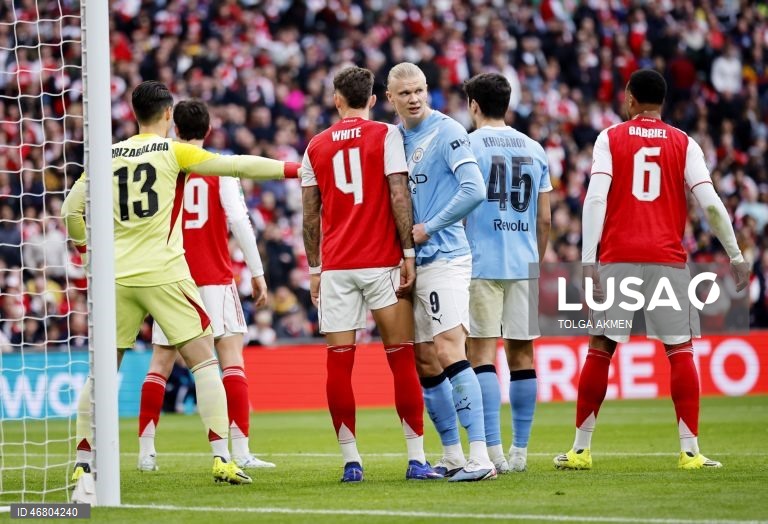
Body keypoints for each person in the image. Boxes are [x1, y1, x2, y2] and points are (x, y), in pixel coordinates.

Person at [62, 80, 300, 485]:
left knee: (102, 371)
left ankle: (84, 462)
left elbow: (70, 211)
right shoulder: (174, 151)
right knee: (205, 361)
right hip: (165, 273)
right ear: (168, 114)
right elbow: (238, 165)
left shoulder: (106, 155)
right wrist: (294, 169)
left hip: (116, 276)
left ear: (134, 113)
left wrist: (87, 256)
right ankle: (222, 458)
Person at [553, 69, 750, 471]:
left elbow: (595, 198)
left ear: (629, 98)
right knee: (680, 350)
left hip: (618, 257)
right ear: (663, 101)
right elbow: (711, 204)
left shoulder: (610, 138)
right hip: (668, 259)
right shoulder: (685, 142)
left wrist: (588, 260)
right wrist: (735, 255)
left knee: (601, 347)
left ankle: (580, 450)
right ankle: (690, 452)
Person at [301, 66, 441, 482]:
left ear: (336, 100)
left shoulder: (315, 146)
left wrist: (314, 268)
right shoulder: (387, 135)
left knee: (339, 365)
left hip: (337, 268)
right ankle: (416, 459)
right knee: (401, 359)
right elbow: (399, 193)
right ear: (375, 100)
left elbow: (310, 215)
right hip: (382, 263)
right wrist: (408, 253)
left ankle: (351, 462)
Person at [138, 100, 276, 472]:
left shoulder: (164, 165)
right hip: (215, 276)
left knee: (161, 363)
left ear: (175, 129)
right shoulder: (219, 166)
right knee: (231, 359)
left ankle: (146, 452)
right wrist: (257, 272)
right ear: (209, 130)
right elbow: (239, 221)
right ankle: (241, 450)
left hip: (173, 278)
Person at [386, 62, 494, 482]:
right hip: (412, 264)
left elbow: (475, 189)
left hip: (446, 257)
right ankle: (451, 454)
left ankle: (481, 457)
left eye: (419, 90)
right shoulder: (394, 138)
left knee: (450, 349)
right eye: (405, 93)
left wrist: (431, 226)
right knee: (425, 360)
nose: (414, 98)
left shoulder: (447, 131)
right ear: (390, 98)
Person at [463, 73, 552, 473]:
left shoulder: (468, 145)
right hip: (523, 263)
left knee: (481, 355)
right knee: (522, 355)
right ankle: (520, 452)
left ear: (474, 105)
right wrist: (536, 261)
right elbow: (544, 218)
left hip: (480, 262)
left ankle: (493, 451)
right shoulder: (535, 148)